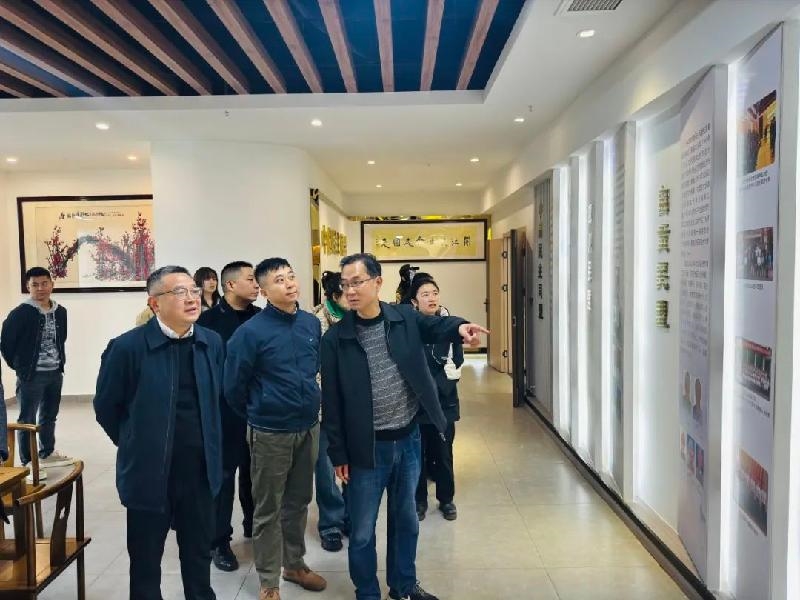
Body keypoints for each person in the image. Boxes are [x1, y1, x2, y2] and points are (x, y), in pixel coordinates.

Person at [320, 253, 487, 600]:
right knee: (362, 531)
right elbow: (331, 402)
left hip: (408, 440)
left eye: (357, 282)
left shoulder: (404, 318)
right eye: (345, 284)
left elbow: (436, 325)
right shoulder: (336, 339)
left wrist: (460, 327)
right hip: (365, 449)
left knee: (406, 521)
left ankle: (404, 586)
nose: (350, 290)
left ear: (378, 282)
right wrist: (338, 453)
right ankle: (367, 593)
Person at [94, 266, 223, 600]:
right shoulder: (127, 348)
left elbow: (219, 403)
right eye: (179, 292)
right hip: (149, 474)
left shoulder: (211, 343)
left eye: (194, 290)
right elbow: (107, 407)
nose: (192, 298)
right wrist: (136, 442)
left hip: (199, 472)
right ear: (154, 303)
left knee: (198, 556)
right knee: (146, 561)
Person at [225, 258, 326, 600]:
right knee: (268, 507)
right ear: (264, 291)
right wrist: (261, 411)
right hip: (270, 432)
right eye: (279, 280)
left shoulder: (310, 323)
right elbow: (233, 387)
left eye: (291, 276)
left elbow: (313, 369)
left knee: (299, 501)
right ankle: (269, 581)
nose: (289, 283)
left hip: (308, 426)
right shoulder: (250, 332)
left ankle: (294, 565)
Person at [197, 261, 261, 572]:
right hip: (223, 413)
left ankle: (254, 525)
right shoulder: (207, 322)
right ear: (231, 285)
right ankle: (219, 541)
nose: (257, 284)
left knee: (256, 474)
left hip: (258, 410)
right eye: (251, 279)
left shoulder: (262, 318)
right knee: (223, 480)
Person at [0, 266, 73, 479]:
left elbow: (61, 339)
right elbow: (6, 344)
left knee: (49, 415)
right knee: (27, 419)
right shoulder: (20, 313)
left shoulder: (60, 311)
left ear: (51, 284)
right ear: (28, 287)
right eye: (35, 285)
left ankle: (47, 452)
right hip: (31, 375)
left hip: (55, 371)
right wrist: (20, 367)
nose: (40, 288)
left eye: (44, 283)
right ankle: (28, 461)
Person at [408, 276, 464, 522]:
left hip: (443, 403)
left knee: (443, 453)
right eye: (425, 294)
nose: (431, 298)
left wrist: (434, 387)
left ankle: (446, 499)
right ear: (414, 301)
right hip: (416, 405)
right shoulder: (410, 328)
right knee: (416, 455)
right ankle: (419, 500)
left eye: (434, 293)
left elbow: (456, 362)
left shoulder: (449, 325)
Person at [311, 271, 350, 552]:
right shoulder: (315, 321)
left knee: (356, 465)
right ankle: (331, 524)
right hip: (324, 406)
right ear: (334, 296)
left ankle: (352, 515)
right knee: (324, 469)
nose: (354, 294)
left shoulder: (360, 317)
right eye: (347, 291)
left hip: (355, 407)